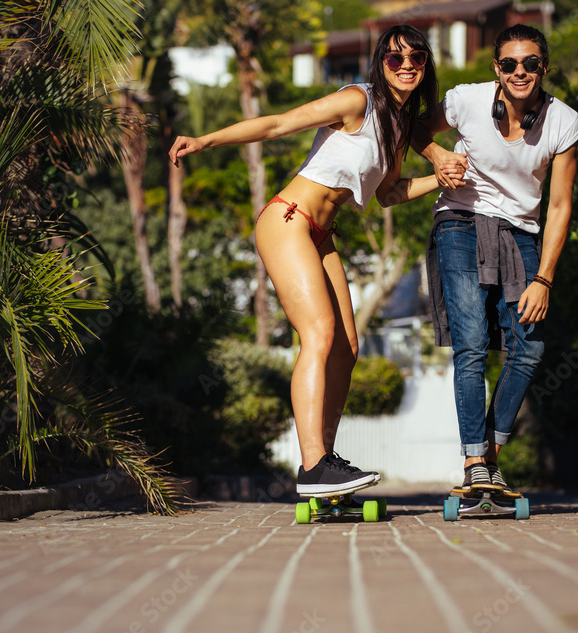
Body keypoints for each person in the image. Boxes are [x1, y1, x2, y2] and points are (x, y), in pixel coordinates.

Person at [169, 25, 463, 496]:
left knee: (348, 346)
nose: (406, 65)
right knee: (319, 334)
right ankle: (312, 468)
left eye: (417, 58)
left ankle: (327, 463)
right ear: (380, 64)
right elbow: (278, 124)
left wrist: (445, 178)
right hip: (288, 218)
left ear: (426, 65)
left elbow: (388, 195)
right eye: (395, 58)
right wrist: (206, 141)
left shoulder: (400, 126)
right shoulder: (356, 101)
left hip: (321, 233)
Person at [413, 24, 578, 492]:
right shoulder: (466, 100)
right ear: (497, 68)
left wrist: (544, 278)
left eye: (530, 63)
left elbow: (560, 205)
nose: (520, 72)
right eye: (509, 64)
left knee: (528, 347)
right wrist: (436, 155)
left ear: (543, 67)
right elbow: (414, 128)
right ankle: (475, 466)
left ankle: (489, 457)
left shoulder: (562, 122)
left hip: (521, 233)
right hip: (460, 221)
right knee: (471, 344)